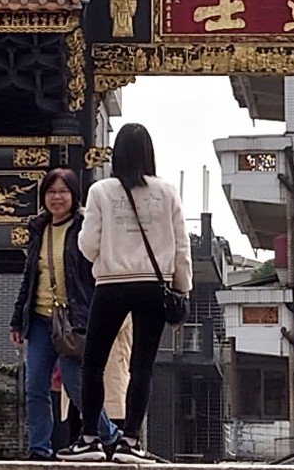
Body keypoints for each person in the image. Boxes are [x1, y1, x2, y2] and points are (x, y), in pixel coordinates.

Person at [75, 123, 192, 463]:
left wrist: (109, 254)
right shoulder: (167, 192)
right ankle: (131, 440)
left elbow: (87, 245)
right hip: (153, 287)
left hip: (111, 284)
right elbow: (180, 246)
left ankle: (90, 438)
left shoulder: (100, 191)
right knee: (143, 367)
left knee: (92, 364)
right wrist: (181, 286)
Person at [11, 169, 116, 461]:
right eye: (51, 192)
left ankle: (107, 435)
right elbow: (29, 278)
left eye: (63, 191)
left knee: (76, 383)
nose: (57, 197)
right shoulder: (38, 228)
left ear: (74, 195)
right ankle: (39, 448)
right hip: (41, 319)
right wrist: (17, 319)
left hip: (73, 320)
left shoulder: (85, 227)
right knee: (35, 387)